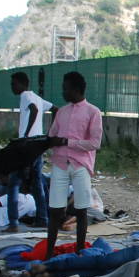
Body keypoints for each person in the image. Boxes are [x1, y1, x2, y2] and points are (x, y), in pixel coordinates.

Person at [45, 71, 102, 259]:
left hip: (81, 165)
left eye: (65, 89)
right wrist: (52, 141)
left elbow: (95, 143)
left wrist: (67, 142)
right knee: (55, 210)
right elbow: (52, 136)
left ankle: (79, 251)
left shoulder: (93, 112)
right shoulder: (62, 112)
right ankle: (49, 251)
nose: (63, 92)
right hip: (60, 163)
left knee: (81, 210)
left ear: (76, 90)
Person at [4, 72, 53, 233]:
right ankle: (42, 219)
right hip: (38, 144)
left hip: (27, 146)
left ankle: (13, 223)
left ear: (21, 84)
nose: (12, 87)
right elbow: (55, 109)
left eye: (13, 84)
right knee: (37, 183)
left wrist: (25, 135)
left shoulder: (26, 96)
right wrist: (50, 132)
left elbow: (33, 110)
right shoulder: (37, 97)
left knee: (14, 183)